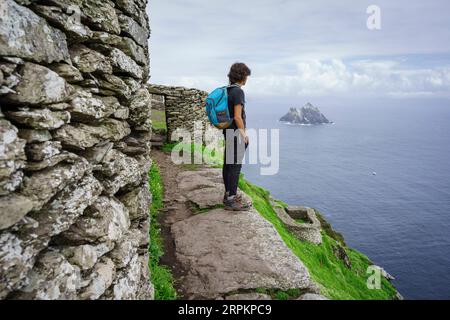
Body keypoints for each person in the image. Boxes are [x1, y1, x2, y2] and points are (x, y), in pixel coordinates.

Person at [223, 62, 252, 211]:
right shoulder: (238, 92)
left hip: (227, 131)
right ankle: (231, 200)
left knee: (228, 164)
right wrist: (243, 133)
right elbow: (237, 116)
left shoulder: (227, 90)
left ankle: (227, 194)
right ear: (242, 76)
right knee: (235, 166)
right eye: (246, 75)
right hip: (236, 132)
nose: (247, 78)